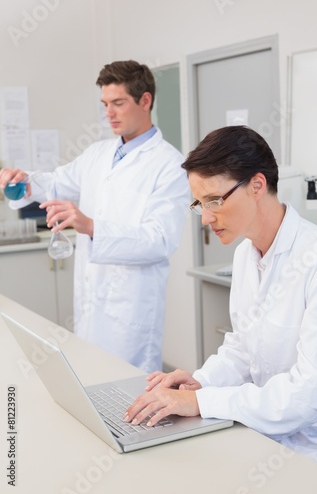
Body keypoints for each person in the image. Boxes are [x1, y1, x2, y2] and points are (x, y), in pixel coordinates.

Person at [124, 125, 317, 470]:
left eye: (215, 201)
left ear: (257, 185)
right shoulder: (245, 255)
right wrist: (199, 383)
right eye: (199, 204)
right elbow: (241, 348)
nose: (205, 218)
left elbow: (311, 393)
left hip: (315, 455)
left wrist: (202, 403)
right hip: (261, 436)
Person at [0, 60, 189, 373]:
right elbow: (57, 182)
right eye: (105, 104)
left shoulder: (169, 165)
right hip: (91, 301)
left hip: (130, 312)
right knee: (88, 382)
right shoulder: (97, 154)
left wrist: (90, 226)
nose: (109, 114)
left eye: (118, 103)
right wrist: (25, 180)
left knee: (127, 399)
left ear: (145, 101)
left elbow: (160, 240)